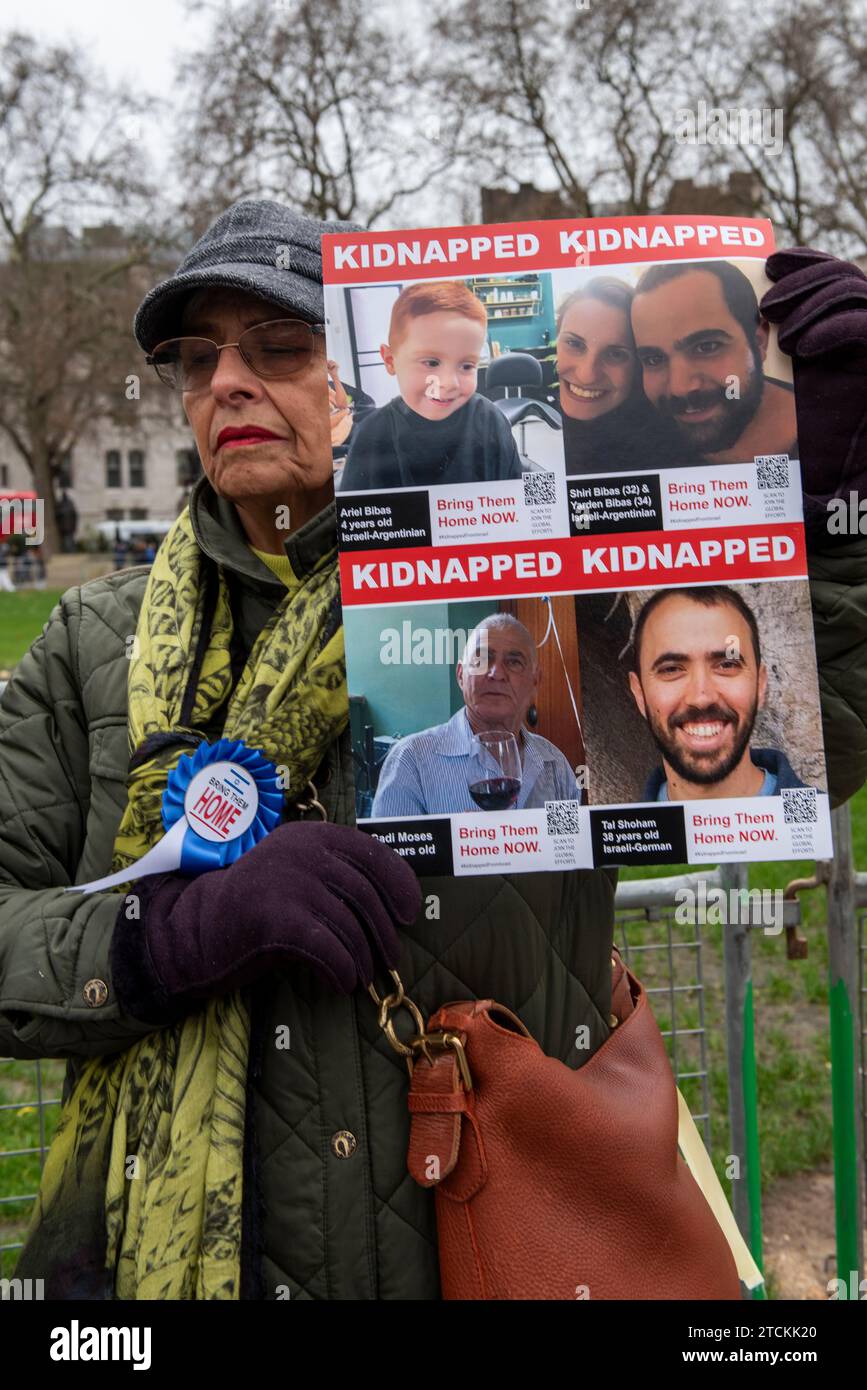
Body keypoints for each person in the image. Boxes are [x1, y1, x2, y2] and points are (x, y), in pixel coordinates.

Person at [1, 203, 866, 1303]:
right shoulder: (93, 644)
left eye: (276, 348)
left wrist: (840, 510)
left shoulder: (546, 572)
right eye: (195, 358)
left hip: (482, 1236)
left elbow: (807, 719)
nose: (223, 382)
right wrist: (168, 934)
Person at [372, 614, 581, 816]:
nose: (496, 673)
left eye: (514, 662)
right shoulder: (410, 762)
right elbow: (387, 853)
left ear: (535, 681)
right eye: (482, 659)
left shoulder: (556, 764)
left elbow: (567, 847)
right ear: (461, 676)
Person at [628, 585, 815, 801]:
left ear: (760, 685)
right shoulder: (604, 833)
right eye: (671, 669)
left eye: (726, 665)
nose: (702, 698)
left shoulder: (818, 829)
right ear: (639, 694)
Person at [338, 281, 523, 491]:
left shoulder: (491, 421)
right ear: (391, 361)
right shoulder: (372, 435)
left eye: (466, 365)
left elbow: (515, 497)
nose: (449, 384)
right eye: (432, 363)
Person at [631, 260, 798, 465]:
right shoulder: (637, 454)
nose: (680, 388)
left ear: (759, 342)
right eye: (653, 359)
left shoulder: (832, 426)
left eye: (706, 347)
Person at [555, 277, 697, 473]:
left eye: (615, 354)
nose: (587, 375)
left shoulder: (666, 454)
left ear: (638, 368)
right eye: (574, 344)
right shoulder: (538, 432)